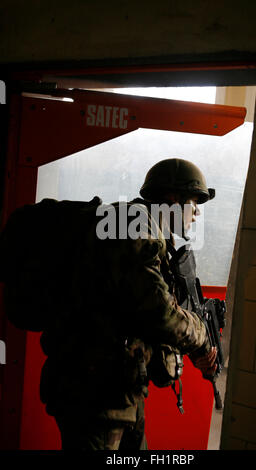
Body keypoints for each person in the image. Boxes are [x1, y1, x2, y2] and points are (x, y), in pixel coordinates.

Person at [39, 157, 217, 451]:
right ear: (173, 199)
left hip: (119, 391)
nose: (197, 213)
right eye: (194, 203)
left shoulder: (141, 228)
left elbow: (135, 314)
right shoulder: (133, 226)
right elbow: (158, 312)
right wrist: (199, 336)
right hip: (92, 393)